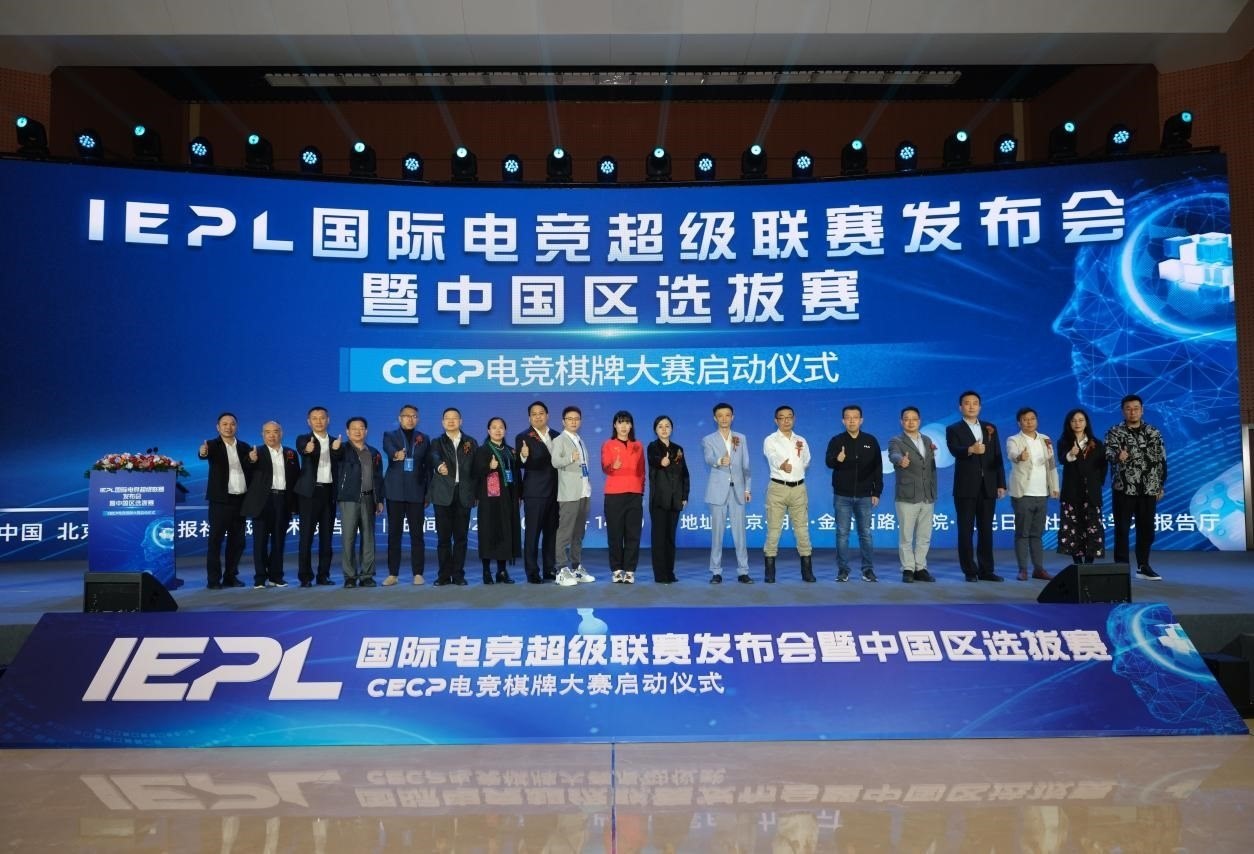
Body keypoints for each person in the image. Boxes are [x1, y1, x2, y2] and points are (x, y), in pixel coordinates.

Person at [945, 390, 1007, 582]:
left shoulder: (990, 428)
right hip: (965, 487)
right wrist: (971, 449)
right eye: (967, 403)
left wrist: (1000, 483)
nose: (971, 406)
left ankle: (986, 570)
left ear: (980, 407)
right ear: (960, 407)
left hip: (988, 486)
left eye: (975, 403)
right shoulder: (953, 429)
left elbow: (997, 456)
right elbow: (954, 449)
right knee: (966, 530)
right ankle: (970, 571)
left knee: (986, 529)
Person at [1105, 394, 1167, 579]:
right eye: (1128, 408)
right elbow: (1107, 452)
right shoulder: (1115, 431)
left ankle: (1143, 565)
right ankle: (1121, 567)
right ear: (1123, 411)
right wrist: (1118, 456)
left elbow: (1162, 460)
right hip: (1124, 488)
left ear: (1142, 410)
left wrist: (1160, 485)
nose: (1132, 412)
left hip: (1148, 488)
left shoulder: (1153, 432)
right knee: (1122, 529)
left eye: (1136, 408)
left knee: (1147, 529)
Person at [825, 404, 883, 583]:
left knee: (865, 533)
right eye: (848, 418)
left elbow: (878, 468)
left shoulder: (870, 440)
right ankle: (843, 570)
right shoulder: (836, 440)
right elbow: (829, 462)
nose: (851, 421)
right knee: (842, 534)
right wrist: (837, 459)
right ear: (843, 421)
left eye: (855, 417)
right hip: (842, 495)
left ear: (861, 420)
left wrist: (876, 492)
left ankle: (868, 570)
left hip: (865, 495)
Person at [240, 421, 299, 588]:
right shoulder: (255, 452)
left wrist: (294, 506)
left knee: (279, 541)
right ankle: (260, 578)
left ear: (281, 433)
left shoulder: (291, 453)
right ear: (262, 435)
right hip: (262, 502)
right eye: (267, 432)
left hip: (283, 500)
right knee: (260, 542)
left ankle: (276, 576)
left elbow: (295, 479)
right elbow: (246, 470)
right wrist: (251, 461)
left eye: (275, 431)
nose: (272, 435)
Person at [198, 412, 252, 589]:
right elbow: (203, 454)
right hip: (220, 501)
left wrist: (253, 461)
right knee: (215, 541)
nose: (229, 427)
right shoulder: (212, 445)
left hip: (241, 501)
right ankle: (213, 580)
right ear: (218, 427)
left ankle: (230, 576)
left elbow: (250, 468)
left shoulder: (244, 447)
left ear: (237, 426)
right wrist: (202, 452)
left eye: (232, 424)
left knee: (238, 542)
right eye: (225, 424)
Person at [701, 402, 753, 584]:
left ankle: (743, 571)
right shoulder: (708, 439)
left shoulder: (741, 438)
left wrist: (747, 489)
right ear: (715, 418)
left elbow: (746, 466)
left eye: (727, 415)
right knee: (717, 534)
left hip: (738, 491)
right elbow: (708, 458)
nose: (724, 418)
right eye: (720, 415)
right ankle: (716, 571)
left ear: (733, 417)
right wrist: (718, 461)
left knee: (740, 534)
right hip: (717, 491)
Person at [1006, 407, 1059, 581]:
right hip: (1023, 493)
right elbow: (1012, 454)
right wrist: (1020, 457)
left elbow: (1051, 464)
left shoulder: (1045, 439)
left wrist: (1055, 486)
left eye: (1032, 419)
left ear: (1037, 420)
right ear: (1019, 423)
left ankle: (1039, 569)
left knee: (1037, 534)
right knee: (1022, 533)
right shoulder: (1014, 439)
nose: (1029, 422)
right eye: (1025, 419)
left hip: (1042, 493)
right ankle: (1023, 569)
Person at [762, 405, 814, 583]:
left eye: (789, 417)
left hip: (799, 488)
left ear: (794, 419)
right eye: (782, 417)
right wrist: (782, 465)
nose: (786, 421)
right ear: (776, 420)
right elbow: (772, 457)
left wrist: (795, 472)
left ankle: (807, 572)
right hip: (778, 488)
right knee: (774, 531)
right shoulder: (770, 440)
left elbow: (806, 461)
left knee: (802, 530)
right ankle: (770, 572)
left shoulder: (801, 440)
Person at [887, 406, 938, 584]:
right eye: (906, 419)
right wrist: (900, 460)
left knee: (924, 535)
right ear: (901, 422)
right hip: (907, 495)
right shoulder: (896, 441)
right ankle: (908, 569)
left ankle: (921, 568)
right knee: (906, 536)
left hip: (927, 495)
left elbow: (930, 467)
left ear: (919, 421)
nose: (910, 422)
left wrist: (933, 490)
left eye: (914, 419)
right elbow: (893, 455)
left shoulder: (927, 440)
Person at [381, 404, 431, 586]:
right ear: (400, 418)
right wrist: (396, 454)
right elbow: (388, 449)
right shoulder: (390, 435)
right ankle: (393, 574)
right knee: (394, 534)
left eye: (414, 416)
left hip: (416, 492)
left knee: (417, 535)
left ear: (417, 419)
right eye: (406, 416)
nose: (410, 419)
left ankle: (418, 573)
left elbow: (427, 467)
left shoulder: (424, 438)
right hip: (395, 492)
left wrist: (428, 493)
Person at [294, 406, 342, 587]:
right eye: (314, 418)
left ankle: (324, 575)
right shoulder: (303, 439)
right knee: (306, 537)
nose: (319, 421)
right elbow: (304, 450)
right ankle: (305, 576)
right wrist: (308, 449)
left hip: (329, 492)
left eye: (322, 418)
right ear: (309, 422)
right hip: (309, 494)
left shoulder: (336, 441)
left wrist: (336, 450)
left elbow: (339, 458)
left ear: (328, 420)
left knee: (326, 537)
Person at [429, 407, 477, 586]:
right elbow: (433, 456)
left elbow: (475, 470)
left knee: (461, 539)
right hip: (443, 495)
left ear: (460, 421)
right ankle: (443, 575)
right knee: (443, 539)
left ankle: (458, 575)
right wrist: (439, 465)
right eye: (447, 418)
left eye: (454, 418)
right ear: (443, 422)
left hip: (463, 494)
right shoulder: (437, 442)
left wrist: (475, 493)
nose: (451, 421)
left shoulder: (470, 442)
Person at [472, 416, 522, 584]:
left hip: (508, 498)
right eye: (494, 427)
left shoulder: (510, 451)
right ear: (488, 431)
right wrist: (489, 467)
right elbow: (475, 473)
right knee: (488, 533)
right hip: (489, 500)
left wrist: (519, 495)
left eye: (501, 427)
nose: (498, 430)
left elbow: (516, 475)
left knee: (505, 532)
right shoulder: (482, 450)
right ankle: (486, 571)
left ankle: (502, 571)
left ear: (505, 430)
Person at [516, 401, 561, 584]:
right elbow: (520, 464)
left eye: (541, 413)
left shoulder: (558, 435)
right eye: (534, 414)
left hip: (556, 492)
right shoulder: (523, 437)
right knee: (532, 534)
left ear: (547, 415)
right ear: (529, 418)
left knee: (551, 534)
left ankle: (550, 569)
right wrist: (524, 456)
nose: (538, 417)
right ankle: (532, 571)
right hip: (535, 492)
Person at [336, 416, 383, 588]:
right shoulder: (341, 449)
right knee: (348, 538)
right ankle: (349, 576)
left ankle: (367, 576)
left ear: (366, 431)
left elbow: (378, 478)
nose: (358, 431)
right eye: (354, 428)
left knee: (368, 538)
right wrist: (334, 449)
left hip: (369, 498)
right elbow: (334, 457)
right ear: (347, 432)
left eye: (361, 428)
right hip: (349, 499)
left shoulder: (374, 452)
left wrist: (379, 500)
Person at [551, 405, 596, 586]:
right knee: (565, 533)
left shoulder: (580, 440)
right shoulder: (559, 440)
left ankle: (577, 568)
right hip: (569, 494)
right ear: (563, 421)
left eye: (576, 419)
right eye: (570, 419)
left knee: (578, 533)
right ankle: (561, 569)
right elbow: (555, 462)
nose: (573, 422)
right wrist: (570, 458)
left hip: (584, 492)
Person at [1057, 408, 1107, 565]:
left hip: (1091, 493)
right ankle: (1077, 563)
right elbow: (1062, 459)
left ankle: (1089, 563)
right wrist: (1071, 453)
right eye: (1073, 421)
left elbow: (1103, 466)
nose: (1077, 423)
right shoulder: (1064, 442)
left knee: (1092, 527)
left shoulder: (1097, 443)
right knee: (1073, 528)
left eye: (1080, 420)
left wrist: (1097, 483)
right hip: (1071, 493)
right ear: (1069, 424)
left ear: (1086, 423)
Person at [601, 410, 645, 584]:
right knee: (615, 534)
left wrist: (640, 491)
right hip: (614, 495)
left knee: (633, 534)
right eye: (620, 422)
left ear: (631, 425)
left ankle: (630, 570)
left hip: (634, 494)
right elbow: (605, 466)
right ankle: (617, 569)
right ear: (615, 425)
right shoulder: (608, 444)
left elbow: (642, 471)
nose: (624, 426)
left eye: (627, 422)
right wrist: (614, 466)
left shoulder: (638, 445)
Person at [647, 415, 689, 584]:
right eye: (660, 426)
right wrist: (661, 462)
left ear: (672, 429)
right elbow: (653, 461)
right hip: (659, 500)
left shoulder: (678, 449)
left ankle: (670, 572)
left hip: (675, 500)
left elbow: (685, 474)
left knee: (670, 538)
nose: (664, 429)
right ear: (655, 430)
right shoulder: (652, 447)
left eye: (667, 426)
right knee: (659, 539)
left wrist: (684, 496)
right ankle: (660, 575)